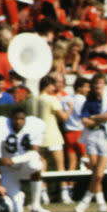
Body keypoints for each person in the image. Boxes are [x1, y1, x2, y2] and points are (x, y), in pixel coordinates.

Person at [0, 107, 51, 212]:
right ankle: (19, 198)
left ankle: (36, 205)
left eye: (21, 119)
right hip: (8, 170)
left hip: (23, 165)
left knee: (35, 164)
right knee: (17, 211)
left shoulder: (34, 125)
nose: (18, 121)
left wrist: (12, 160)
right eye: (15, 118)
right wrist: (2, 160)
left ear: (25, 119)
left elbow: (34, 153)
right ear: (10, 118)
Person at [74, 73, 107, 212]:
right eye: (95, 83)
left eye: (100, 83)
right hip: (92, 135)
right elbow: (85, 121)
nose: (98, 86)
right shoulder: (89, 100)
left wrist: (93, 118)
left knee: (99, 173)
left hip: (106, 136)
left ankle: (85, 200)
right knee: (95, 171)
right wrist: (99, 119)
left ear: (104, 84)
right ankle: (101, 202)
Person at [32, 75, 70, 203]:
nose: (54, 88)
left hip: (37, 137)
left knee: (41, 167)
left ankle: (43, 196)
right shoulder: (51, 99)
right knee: (60, 167)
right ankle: (64, 195)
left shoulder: (31, 100)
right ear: (48, 86)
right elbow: (63, 118)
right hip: (52, 136)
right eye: (52, 85)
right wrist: (70, 108)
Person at [61, 76, 91, 204]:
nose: (88, 89)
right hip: (80, 133)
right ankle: (91, 191)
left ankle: (68, 191)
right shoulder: (84, 99)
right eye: (86, 87)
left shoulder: (65, 99)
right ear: (79, 88)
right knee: (87, 161)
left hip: (68, 133)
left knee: (72, 164)